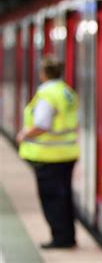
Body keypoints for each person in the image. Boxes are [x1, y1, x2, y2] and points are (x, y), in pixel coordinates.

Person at [16, 55, 78, 249]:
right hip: (67, 153)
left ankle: (60, 238)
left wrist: (24, 134)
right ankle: (68, 235)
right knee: (65, 197)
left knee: (52, 200)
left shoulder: (47, 94)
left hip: (49, 157)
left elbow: (42, 124)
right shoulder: (66, 91)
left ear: (44, 73)